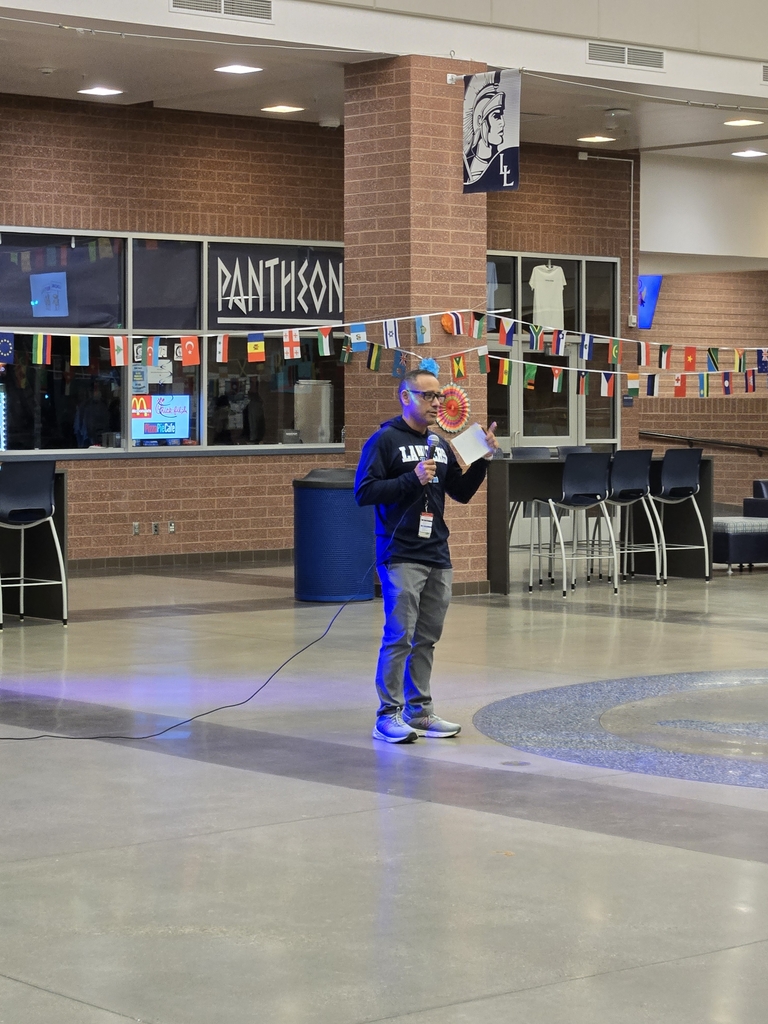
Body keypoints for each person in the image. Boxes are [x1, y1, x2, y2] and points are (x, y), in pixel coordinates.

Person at [354, 363, 498, 744]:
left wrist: (483, 459)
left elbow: (461, 493)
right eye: (428, 395)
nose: (437, 402)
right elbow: (363, 492)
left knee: (426, 637)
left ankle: (420, 711)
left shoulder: (438, 443)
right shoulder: (384, 440)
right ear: (406, 397)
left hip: (437, 552)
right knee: (399, 636)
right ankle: (387, 715)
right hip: (400, 552)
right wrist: (409, 479)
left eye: (439, 395)